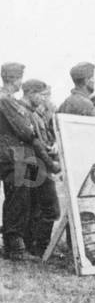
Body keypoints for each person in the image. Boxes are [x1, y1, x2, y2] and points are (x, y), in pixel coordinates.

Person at [0, 76, 53, 260]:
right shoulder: (5, 99)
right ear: (12, 78)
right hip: (15, 155)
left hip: (20, 155)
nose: (20, 83)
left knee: (21, 200)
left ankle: (16, 245)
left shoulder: (10, 100)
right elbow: (25, 131)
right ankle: (15, 248)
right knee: (18, 200)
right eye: (18, 78)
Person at [21, 80, 61, 258]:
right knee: (51, 209)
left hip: (36, 163)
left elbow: (41, 139)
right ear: (32, 93)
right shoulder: (29, 114)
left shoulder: (36, 115)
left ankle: (36, 246)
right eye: (43, 95)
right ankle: (41, 247)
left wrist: (49, 146)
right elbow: (34, 142)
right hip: (36, 164)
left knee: (37, 208)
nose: (46, 99)